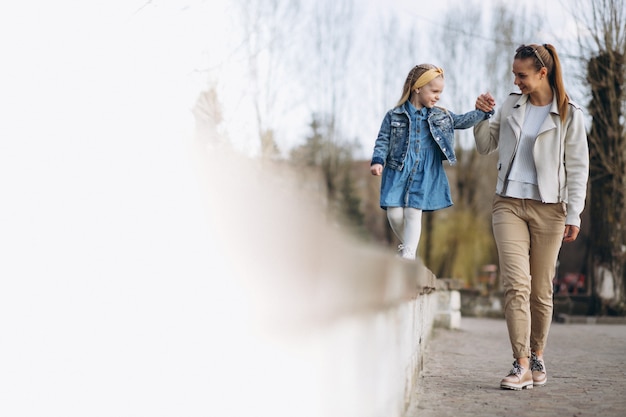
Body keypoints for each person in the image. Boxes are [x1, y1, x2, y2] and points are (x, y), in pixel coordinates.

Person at [473, 44, 589, 390]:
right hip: (507, 203)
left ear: (542, 73)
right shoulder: (510, 104)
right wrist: (481, 116)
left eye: (521, 75)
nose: (516, 80)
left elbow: (579, 167)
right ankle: (520, 363)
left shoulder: (569, 113)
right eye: (514, 74)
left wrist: (575, 213)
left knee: (540, 290)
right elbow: (484, 146)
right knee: (516, 285)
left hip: (550, 209)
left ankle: (537, 355)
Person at [370, 64, 494, 260]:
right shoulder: (394, 115)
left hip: (424, 171)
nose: (438, 96)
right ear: (417, 87)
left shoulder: (441, 115)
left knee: (413, 213)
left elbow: (462, 121)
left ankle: (409, 254)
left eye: (440, 92)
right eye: (434, 91)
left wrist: (482, 112)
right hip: (398, 168)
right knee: (394, 214)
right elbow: (383, 140)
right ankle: (408, 245)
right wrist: (378, 161)